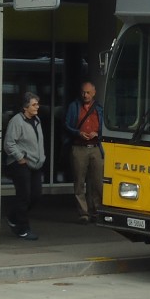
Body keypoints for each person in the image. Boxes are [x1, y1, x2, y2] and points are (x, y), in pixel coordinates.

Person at [3, 92, 45, 240]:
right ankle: (23, 229)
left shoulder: (37, 120)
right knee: (24, 196)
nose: (37, 107)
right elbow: (9, 143)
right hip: (21, 164)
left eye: (37, 104)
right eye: (34, 104)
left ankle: (13, 216)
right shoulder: (17, 121)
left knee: (36, 195)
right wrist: (20, 158)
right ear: (25, 107)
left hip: (35, 164)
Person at [64, 81, 104, 224]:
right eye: (83, 92)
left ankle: (96, 211)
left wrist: (97, 133)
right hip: (79, 147)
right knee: (79, 182)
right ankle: (83, 213)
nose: (85, 95)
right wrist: (78, 133)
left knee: (97, 182)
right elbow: (67, 125)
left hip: (95, 148)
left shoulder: (99, 108)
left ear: (94, 93)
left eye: (88, 92)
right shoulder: (74, 107)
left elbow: (105, 126)